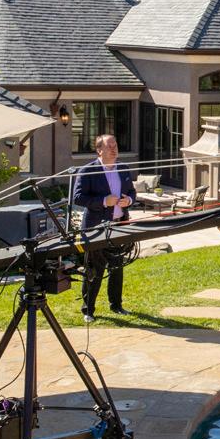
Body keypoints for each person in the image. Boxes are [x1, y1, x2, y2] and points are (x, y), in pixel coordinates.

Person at [73, 134, 136, 323]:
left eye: (115, 145)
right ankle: (88, 310)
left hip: (119, 225)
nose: (114, 149)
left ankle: (116, 305)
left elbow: (132, 192)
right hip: (96, 229)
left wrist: (128, 200)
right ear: (99, 150)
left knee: (117, 268)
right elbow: (78, 198)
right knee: (94, 270)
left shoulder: (123, 168)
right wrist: (103, 201)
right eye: (110, 146)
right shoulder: (88, 170)